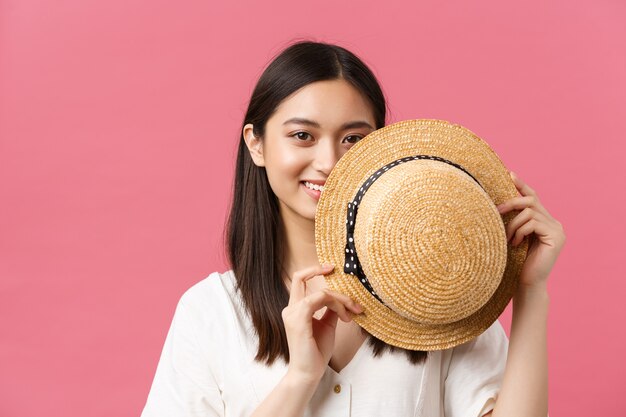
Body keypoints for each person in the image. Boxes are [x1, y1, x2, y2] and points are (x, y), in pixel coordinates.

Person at [141, 40, 566, 417]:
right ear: (256, 143)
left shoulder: (443, 293)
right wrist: (300, 379)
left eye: (353, 140)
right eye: (303, 135)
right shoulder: (210, 314)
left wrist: (529, 292)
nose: (329, 162)